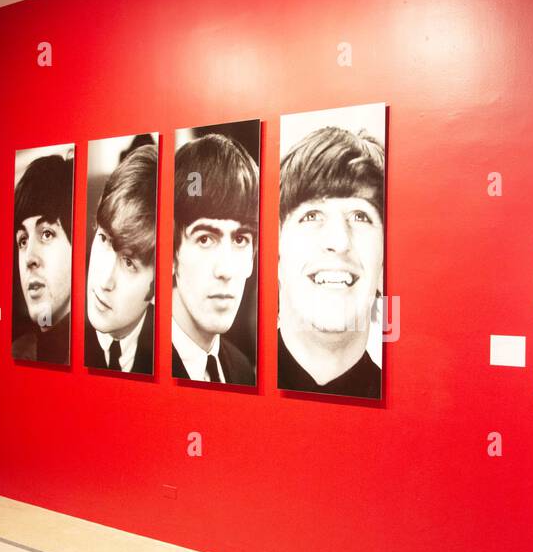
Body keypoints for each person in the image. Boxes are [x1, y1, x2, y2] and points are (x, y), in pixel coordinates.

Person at [277, 125, 385, 398]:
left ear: (385, 261)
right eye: (312, 215)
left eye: (360, 216)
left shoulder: (412, 406)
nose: (339, 242)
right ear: (275, 253)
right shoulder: (231, 377)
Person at [170, 134, 257, 385]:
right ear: (171, 254)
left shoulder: (241, 370)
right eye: (205, 239)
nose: (225, 269)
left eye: (241, 239)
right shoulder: (132, 360)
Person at [85, 144, 157, 373]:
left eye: (129, 262)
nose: (105, 281)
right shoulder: (47, 347)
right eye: (104, 239)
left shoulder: (179, 357)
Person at [13, 154, 74, 363]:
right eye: (23, 240)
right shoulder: (20, 351)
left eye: (46, 234)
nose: (30, 258)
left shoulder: (100, 352)